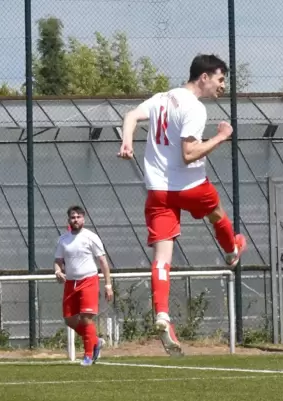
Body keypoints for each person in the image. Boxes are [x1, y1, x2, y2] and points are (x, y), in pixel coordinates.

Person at [117, 54, 246, 357]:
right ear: (204, 77)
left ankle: (162, 315)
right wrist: (222, 137)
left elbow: (131, 115)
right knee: (217, 214)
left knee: (162, 259)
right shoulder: (194, 109)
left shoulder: (164, 97)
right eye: (220, 79)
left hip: (159, 192)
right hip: (190, 187)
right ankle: (231, 251)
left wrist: (127, 142)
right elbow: (189, 154)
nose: (221, 85)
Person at [54, 206, 113, 366]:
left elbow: (103, 262)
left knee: (86, 319)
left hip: (89, 280)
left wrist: (108, 285)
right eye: (73, 217)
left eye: (79, 217)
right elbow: (58, 260)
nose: (76, 220)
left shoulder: (91, 237)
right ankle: (95, 341)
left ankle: (88, 355)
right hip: (71, 283)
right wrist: (58, 271)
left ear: (83, 219)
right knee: (69, 319)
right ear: (68, 220)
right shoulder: (63, 240)